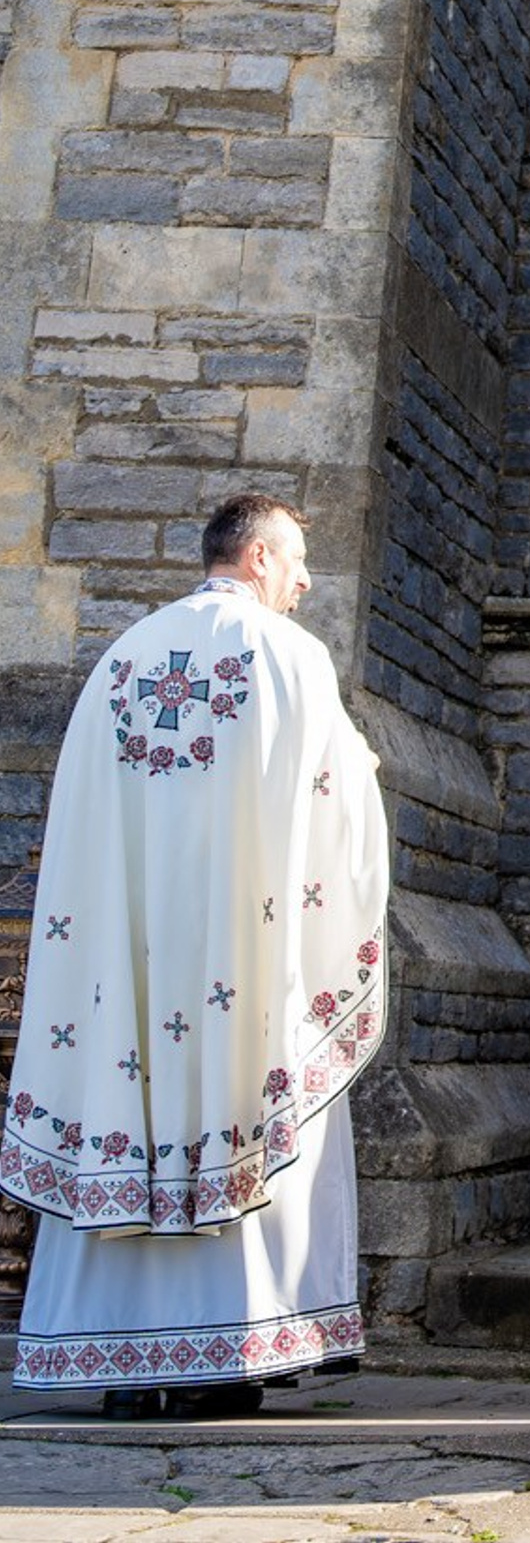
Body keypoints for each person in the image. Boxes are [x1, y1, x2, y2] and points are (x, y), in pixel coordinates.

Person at [0, 494, 391, 1417]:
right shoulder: (292, 656)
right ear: (256, 557)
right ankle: (227, 1356)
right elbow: (336, 816)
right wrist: (367, 778)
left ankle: (124, 1368)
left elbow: (86, 821)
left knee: (125, 1103)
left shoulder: (124, 658)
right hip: (242, 967)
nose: (304, 580)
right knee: (246, 1092)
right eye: (296, 560)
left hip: (127, 971)